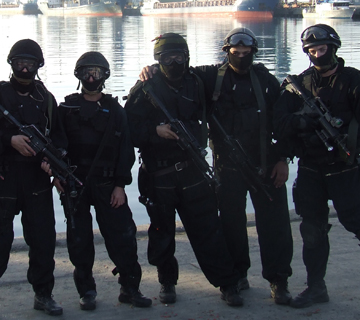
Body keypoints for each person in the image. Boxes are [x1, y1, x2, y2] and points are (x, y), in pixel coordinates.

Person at [139, 28, 294, 303]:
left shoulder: (265, 80)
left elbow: (284, 121)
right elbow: (175, 71)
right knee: (231, 226)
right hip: (228, 167)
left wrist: (283, 158)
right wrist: (151, 70)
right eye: (236, 53)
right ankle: (237, 275)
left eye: (246, 53)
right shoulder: (211, 77)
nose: (241, 57)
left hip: (266, 165)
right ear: (227, 52)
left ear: (254, 53)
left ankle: (278, 281)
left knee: (275, 226)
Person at [125, 33, 243, 307]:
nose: (174, 62)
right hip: (158, 175)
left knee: (209, 230)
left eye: (179, 56)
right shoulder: (145, 88)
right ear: (158, 59)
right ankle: (167, 281)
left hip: (193, 171)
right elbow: (128, 129)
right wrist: (155, 131)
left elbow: (232, 68)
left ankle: (227, 283)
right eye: (168, 58)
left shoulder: (197, 82)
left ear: (187, 57)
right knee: (161, 232)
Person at [0, 39, 66, 320]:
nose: (25, 69)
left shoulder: (45, 99)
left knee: (43, 240)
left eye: (30, 64)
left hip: (37, 179)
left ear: (39, 66)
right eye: (20, 63)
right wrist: (8, 139)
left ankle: (43, 294)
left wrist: (53, 161)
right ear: (11, 64)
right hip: (6, 178)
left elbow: (59, 137)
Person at [50, 52, 151, 310]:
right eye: (87, 73)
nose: (91, 78)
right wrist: (58, 175)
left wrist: (120, 185)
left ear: (105, 75)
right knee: (79, 242)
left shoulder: (115, 111)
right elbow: (56, 146)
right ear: (79, 75)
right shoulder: (66, 110)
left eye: (96, 72)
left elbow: (126, 151)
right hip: (75, 186)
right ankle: (86, 291)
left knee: (123, 238)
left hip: (108, 186)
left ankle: (130, 288)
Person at [274, 24, 360, 309]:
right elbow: (279, 123)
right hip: (311, 168)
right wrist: (302, 122)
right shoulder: (299, 85)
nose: (317, 54)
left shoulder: (353, 81)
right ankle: (315, 287)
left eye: (321, 49)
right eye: (311, 50)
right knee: (312, 230)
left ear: (333, 48)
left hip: (346, 168)